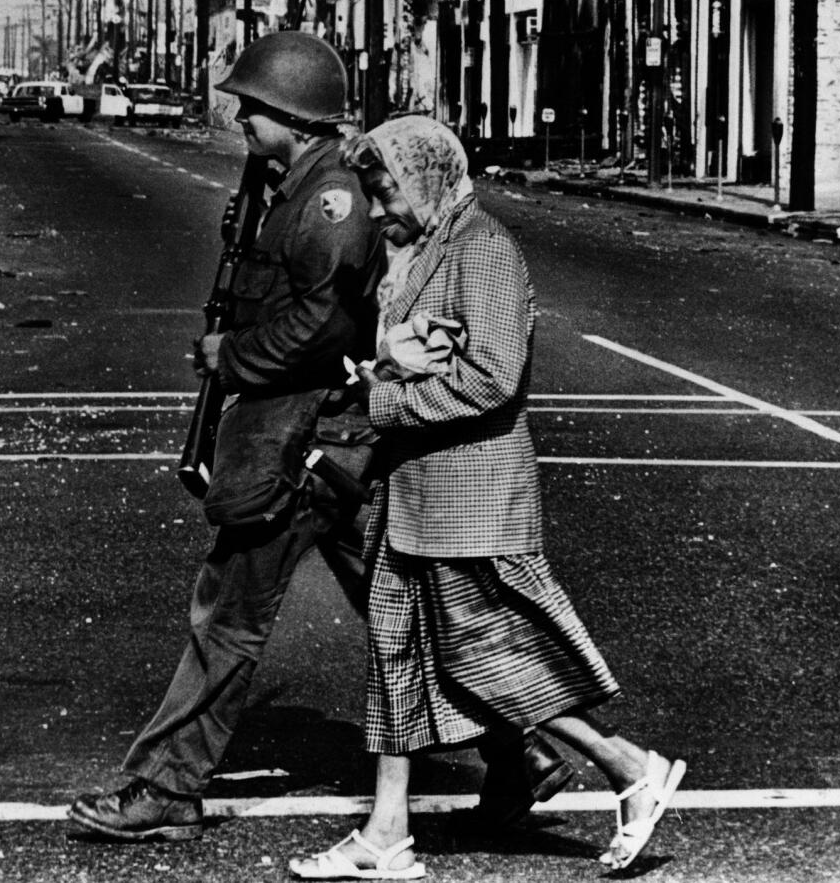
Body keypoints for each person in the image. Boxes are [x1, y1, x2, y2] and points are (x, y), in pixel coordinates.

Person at [67, 38, 571, 846]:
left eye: (253, 108)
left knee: (228, 613)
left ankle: (165, 786)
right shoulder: (293, 183)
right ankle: (526, 752)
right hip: (329, 438)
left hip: (303, 436)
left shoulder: (330, 195)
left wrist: (231, 358)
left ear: (293, 116)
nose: (240, 119)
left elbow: (326, 321)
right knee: (408, 611)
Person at [290, 116, 685, 880]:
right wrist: (383, 374)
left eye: (384, 193)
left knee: (487, 658)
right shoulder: (425, 249)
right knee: (396, 658)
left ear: (429, 181)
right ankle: (386, 832)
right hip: (412, 490)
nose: (376, 211)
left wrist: (384, 401)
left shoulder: (485, 251)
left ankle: (630, 765)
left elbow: (494, 377)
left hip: (471, 494)